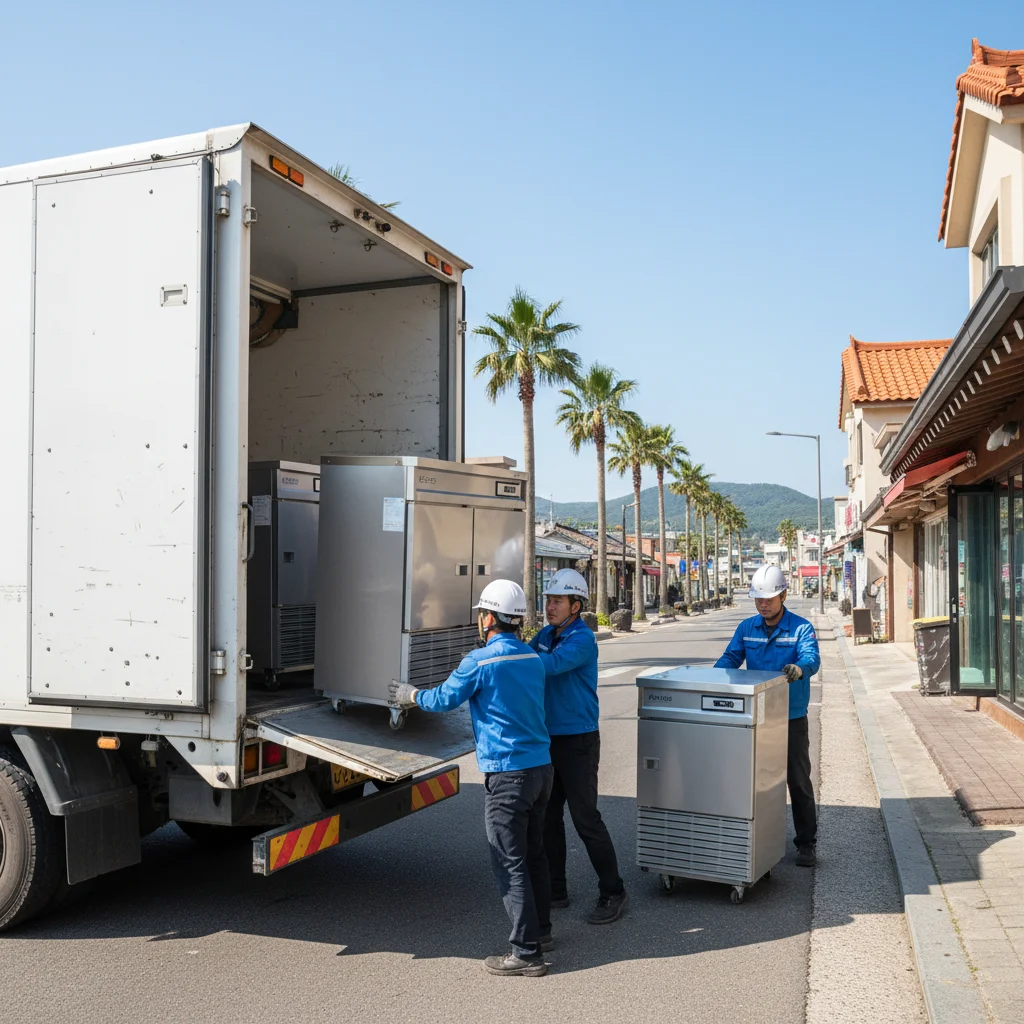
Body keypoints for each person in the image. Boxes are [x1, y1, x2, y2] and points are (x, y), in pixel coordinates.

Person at [389, 579, 553, 977]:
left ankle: (526, 952)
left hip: (508, 774)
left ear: (489, 617)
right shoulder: (532, 658)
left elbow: (443, 699)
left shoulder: (480, 661)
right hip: (541, 770)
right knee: (534, 854)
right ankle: (542, 931)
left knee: (508, 860)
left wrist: (409, 695)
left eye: (482, 613)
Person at [529, 568, 627, 925]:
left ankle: (613, 890)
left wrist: (510, 657)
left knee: (586, 819)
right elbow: (529, 657)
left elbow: (549, 666)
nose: (549, 607)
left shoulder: (582, 640)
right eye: (548, 600)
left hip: (579, 741)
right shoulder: (544, 634)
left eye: (556, 601)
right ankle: (556, 889)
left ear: (575, 605)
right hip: (547, 739)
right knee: (547, 818)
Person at [714, 564, 821, 867]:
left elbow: (811, 657)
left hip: (790, 717)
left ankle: (807, 843)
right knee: (753, 780)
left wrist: (801, 668)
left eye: (769, 598)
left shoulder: (801, 628)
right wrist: (712, 678)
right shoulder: (747, 628)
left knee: (797, 780)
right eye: (758, 599)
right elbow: (731, 657)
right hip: (755, 717)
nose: (763, 604)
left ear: (783, 595)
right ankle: (755, 837)